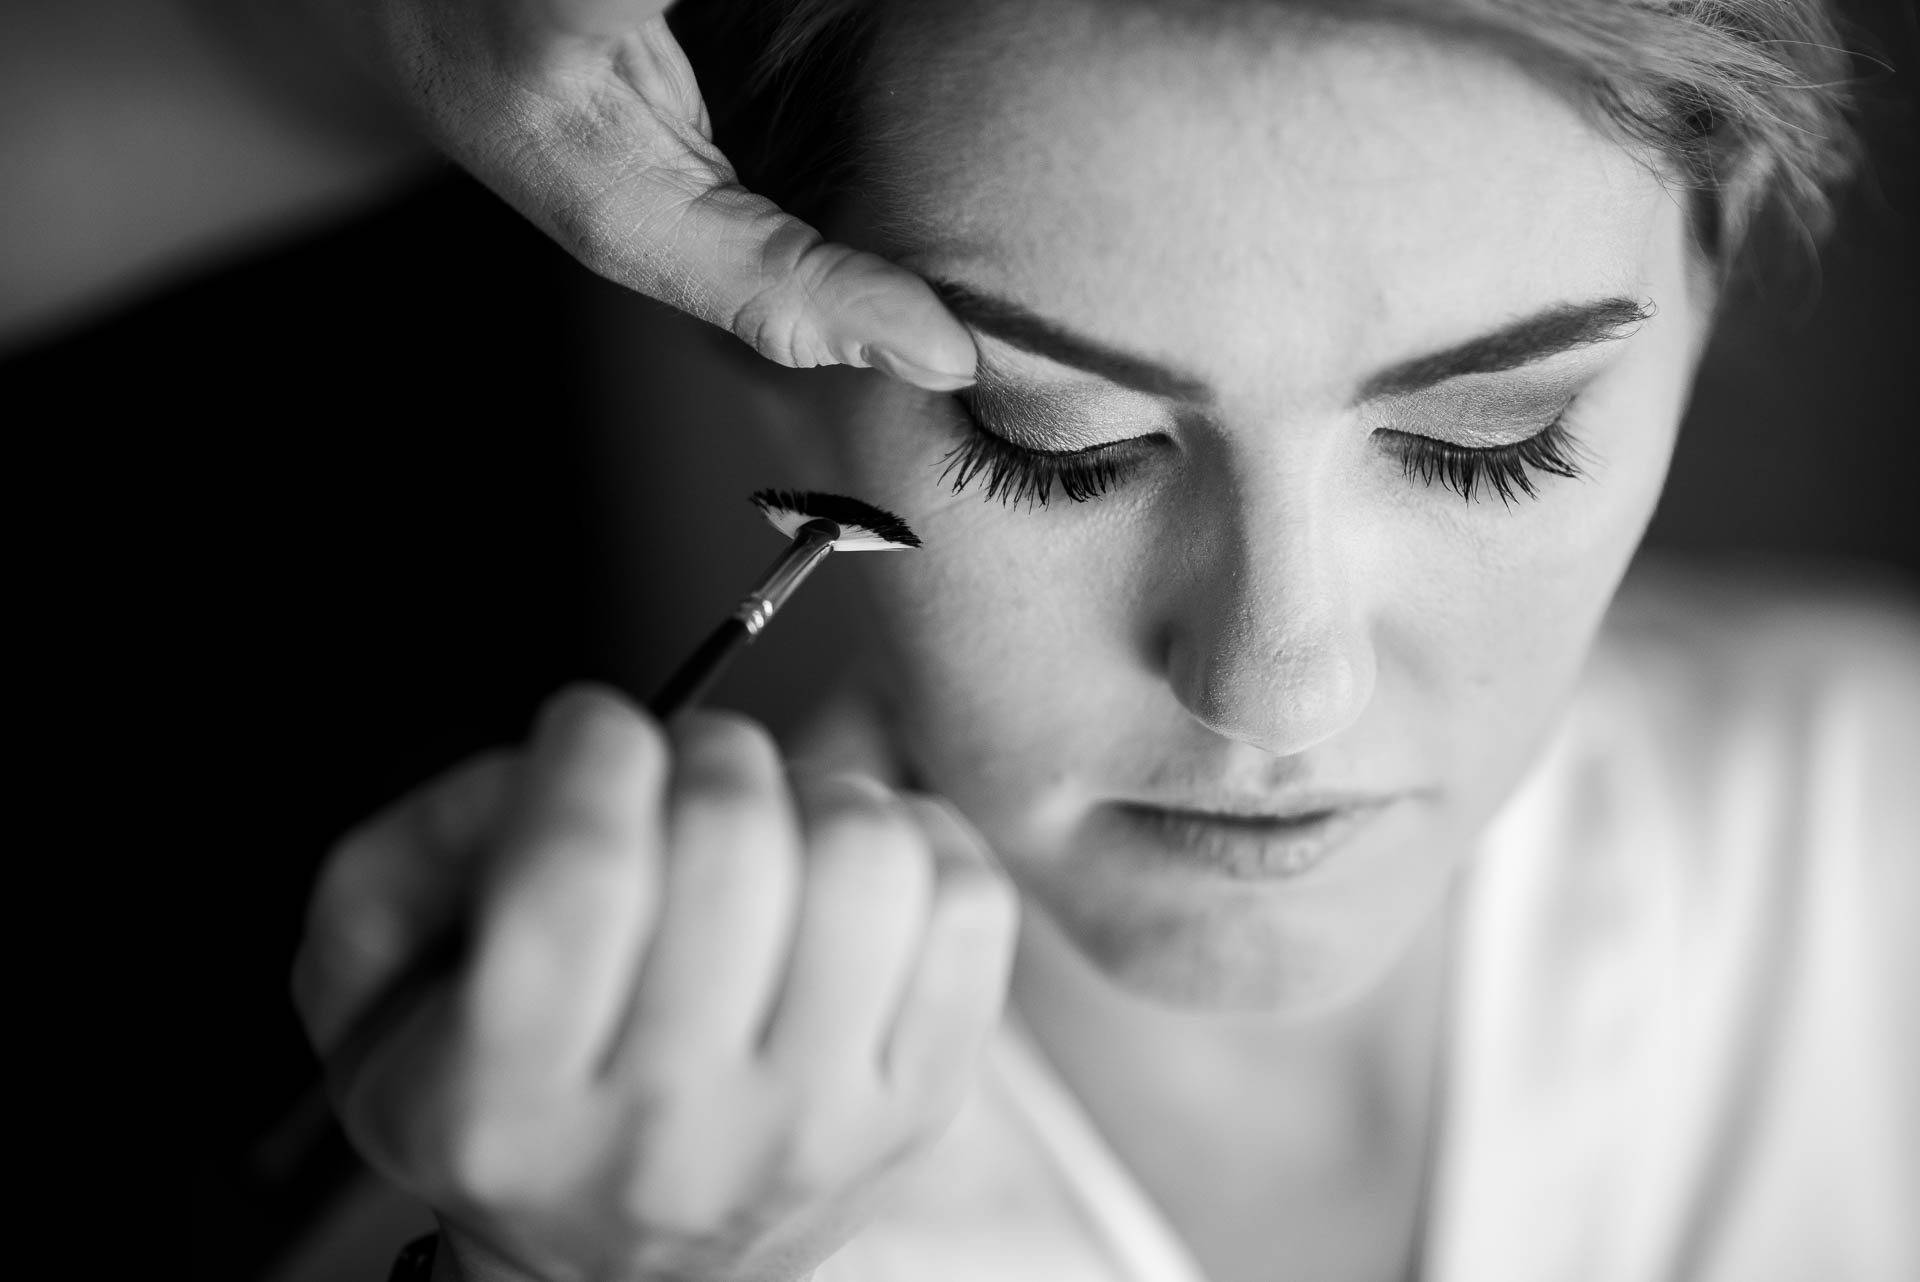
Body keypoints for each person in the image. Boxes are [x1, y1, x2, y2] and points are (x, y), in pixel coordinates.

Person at [38, 0, 1905, 1279]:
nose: (1274, 686)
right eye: (1057, 446)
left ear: (1709, 289)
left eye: (1490, 447)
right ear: (760, 354)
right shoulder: (539, 1163)